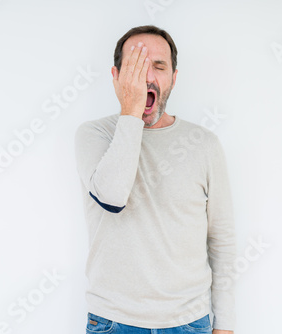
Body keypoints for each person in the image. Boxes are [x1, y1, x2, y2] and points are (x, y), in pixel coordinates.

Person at [74, 25, 236, 334]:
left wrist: (225, 326)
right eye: (135, 66)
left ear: (174, 78)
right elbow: (112, 197)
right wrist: (132, 112)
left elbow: (222, 240)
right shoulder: (94, 135)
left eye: (158, 67)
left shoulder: (204, 144)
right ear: (116, 76)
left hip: (190, 323)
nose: (147, 77)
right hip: (112, 322)